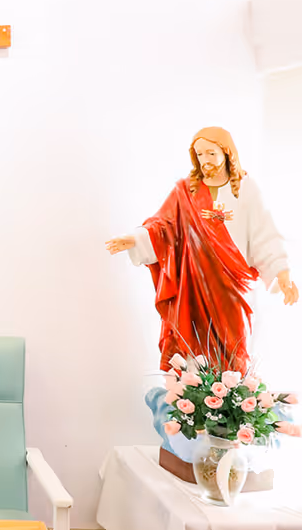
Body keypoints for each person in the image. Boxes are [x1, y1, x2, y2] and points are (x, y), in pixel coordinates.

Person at [106, 127, 297, 373]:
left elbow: (264, 234)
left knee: (234, 340)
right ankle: (198, 399)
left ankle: (234, 398)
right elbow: (163, 226)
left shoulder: (247, 189)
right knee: (194, 342)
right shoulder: (186, 190)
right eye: (199, 154)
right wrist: (135, 238)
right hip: (193, 284)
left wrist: (281, 272)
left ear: (226, 153)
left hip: (232, 284)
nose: (205, 159)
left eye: (211, 153)